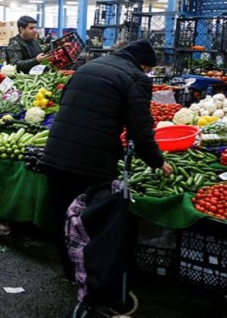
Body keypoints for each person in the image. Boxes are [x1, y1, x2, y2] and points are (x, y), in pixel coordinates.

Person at [39, 40, 173, 316]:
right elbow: (140, 128)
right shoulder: (135, 77)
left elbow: (65, 106)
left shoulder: (89, 66)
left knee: (64, 215)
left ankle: (73, 274)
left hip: (56, 152)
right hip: (91, 160)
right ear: (144, 65)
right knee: (94, 223)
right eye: (148, 69)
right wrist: (157, 161)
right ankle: (95, 288)